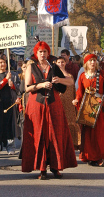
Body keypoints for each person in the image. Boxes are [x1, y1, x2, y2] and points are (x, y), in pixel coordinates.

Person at [22, 41, 77, 180]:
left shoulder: (54, 66)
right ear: (36, 53)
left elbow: (70, 82)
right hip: (37, 105)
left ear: (48, 53)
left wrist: (59, 80)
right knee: (39, 135)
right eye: (40, 52)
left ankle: (55, 167)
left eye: (45, 51)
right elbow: (27, 88)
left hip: (54, 104)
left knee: (55, 135)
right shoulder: (31, 67)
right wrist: (40, 84)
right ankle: (41, 169)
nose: (42, 54)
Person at [72, 54, 104, 167]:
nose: (93, 63)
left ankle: (100, 156)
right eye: (90, 61)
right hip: (88, 109)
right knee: (89, 135)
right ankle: (90, 156)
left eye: (94, 60)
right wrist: (76, 100)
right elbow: (80, 92)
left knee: (101, 133)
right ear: (86, 63)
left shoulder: (103, 75)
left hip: (101, 108)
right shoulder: (82, 76)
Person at [0, 57, 20, 157]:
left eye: (4, 62)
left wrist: (13, 86)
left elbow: (19, 89)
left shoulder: (13, 75)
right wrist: (5, 79)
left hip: (10, 103)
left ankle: (10, 146)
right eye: (1, 63)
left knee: (9, 124)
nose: (3, 64)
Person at [56, 56, 81, 149]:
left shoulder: (69, 76)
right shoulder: (54, 76)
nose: (61, 64)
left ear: (65, 63)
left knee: (70, 123)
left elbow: (73, 90)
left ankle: (70, 144)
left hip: (69, 103)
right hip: (58, 102)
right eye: (59, 62)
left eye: (62, 62)